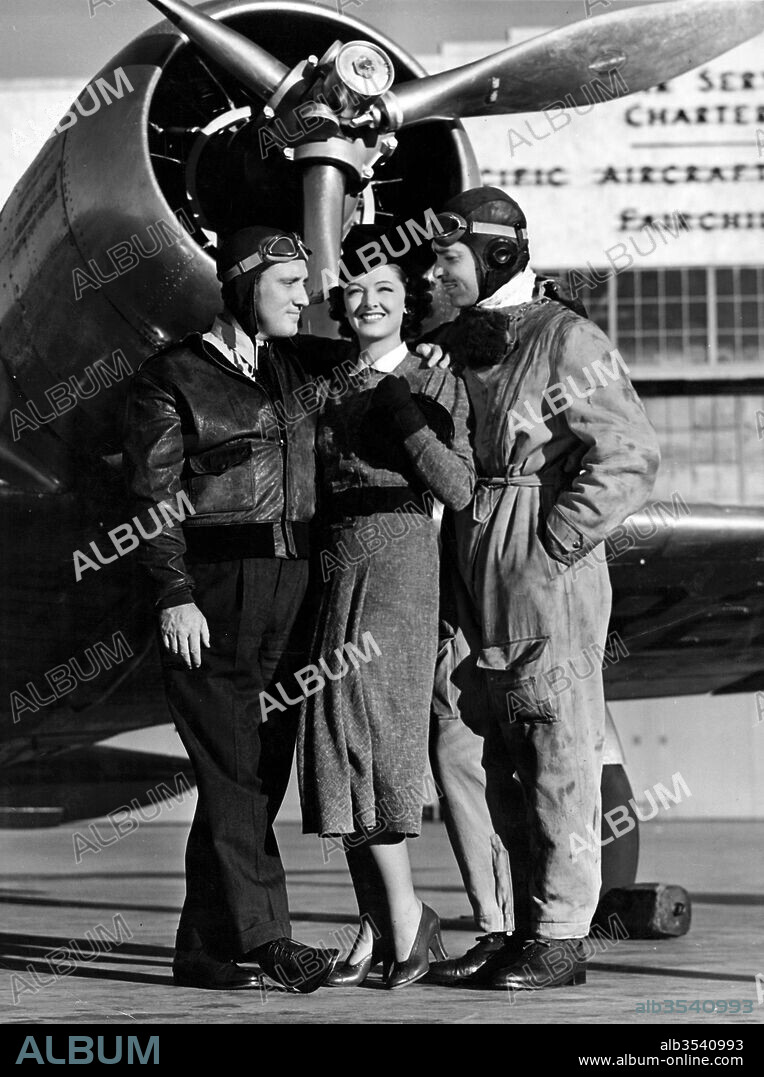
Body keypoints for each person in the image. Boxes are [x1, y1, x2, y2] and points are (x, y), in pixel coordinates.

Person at [422, 187, 660, 989]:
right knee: (478, 746)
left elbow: (627, 455)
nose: (433, 271)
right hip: (466, 555)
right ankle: (512, 923)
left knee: (555, 745)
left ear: (493, 258)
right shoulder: (458, 341)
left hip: (538, 563)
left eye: (448, 257)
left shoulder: (567, 338)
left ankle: (560, 934)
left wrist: (549, 547)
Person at [123, 226, 339, 993]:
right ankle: (268, 940)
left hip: (294, 582)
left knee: (251, 773)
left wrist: (437, 350)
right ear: (246, 284)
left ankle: (202, 949)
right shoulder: (170, 376)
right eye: (288, 284)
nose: (304, 296)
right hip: (213, 590)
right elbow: (151, 499)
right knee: (234, 769)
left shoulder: (297, 368)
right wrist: (174, 593)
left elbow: (379, 358)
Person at [297, 225, 476, 989]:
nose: (368, 301)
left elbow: (460, 487)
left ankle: (409, 921)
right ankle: (378, 922)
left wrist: (403, 415)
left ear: (408, 306)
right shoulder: (326, 382)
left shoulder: (437, 381)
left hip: (401, 557)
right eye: (358, 290)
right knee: (334, 730)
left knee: (371, 729)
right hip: (334, 561)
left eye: (386, 291)